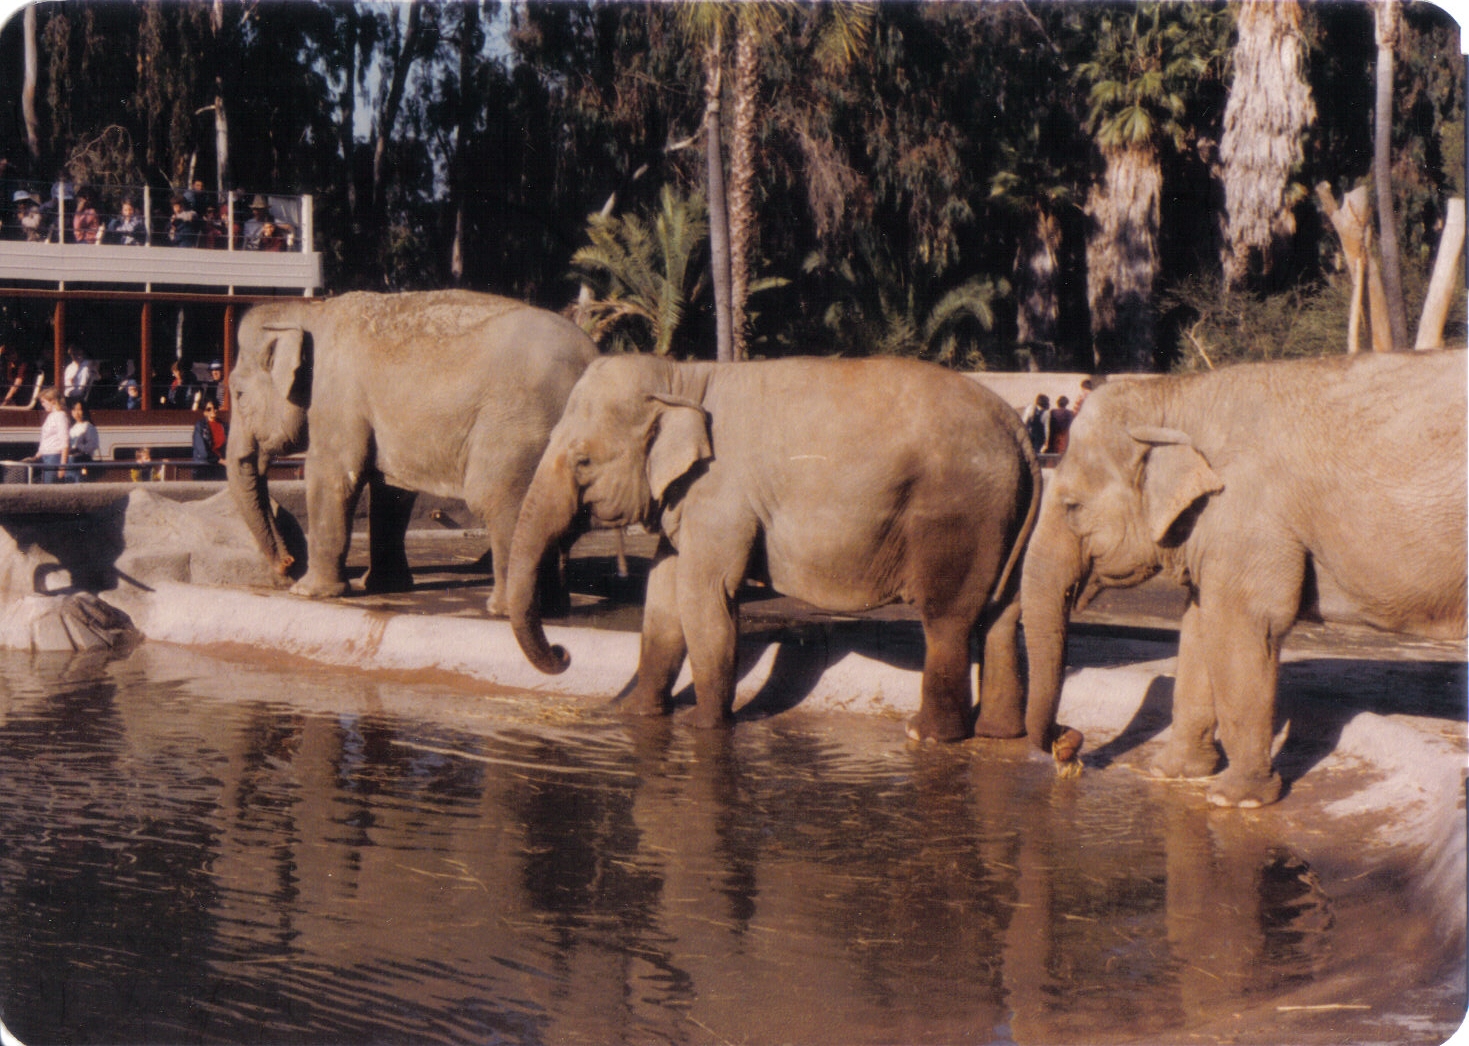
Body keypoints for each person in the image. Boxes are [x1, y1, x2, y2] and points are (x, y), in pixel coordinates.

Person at [22, 387, 69, 483]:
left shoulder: (60, 416)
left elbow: (65, 443)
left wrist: (62, 467)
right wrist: (36, 456)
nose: (42, 405)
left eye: (44, 402)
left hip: (54, 457)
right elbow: (46, 441)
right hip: (46, 456)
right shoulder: (51, 416)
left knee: (50, 487)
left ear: (53, 401)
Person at [192, 397, 227, 479]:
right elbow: (203, 451)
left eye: (215, 408)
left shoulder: (224, 426)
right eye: (208, 409)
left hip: (221, 469)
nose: (212, 411)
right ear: (204, 412)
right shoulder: (200, 426)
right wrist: (220, 460)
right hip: (204, 468)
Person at [66, 399, 99, 482]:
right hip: (70, 461)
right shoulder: (73, 427)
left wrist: (79, 448)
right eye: (74, 410)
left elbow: (93, 444)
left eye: (79, 410)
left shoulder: (88, 426)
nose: (76, 413)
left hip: (80, 461)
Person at [0, 342, 35, 408]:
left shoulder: (23, 365)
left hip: (21, 397)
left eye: (11, 353)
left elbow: (16, 385)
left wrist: (5, 401)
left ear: (16, 353)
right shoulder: (9, 364)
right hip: (10, 394)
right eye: (6, 355)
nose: (9, 357)